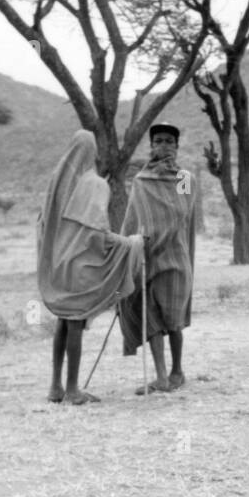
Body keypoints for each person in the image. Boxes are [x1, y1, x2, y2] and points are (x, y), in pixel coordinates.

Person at [37, 131, 145, 405]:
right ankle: (73, 389)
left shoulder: (59, 186)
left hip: (59, 264)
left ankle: (55, 387)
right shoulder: (96, 185)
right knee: (75, 323)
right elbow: (97, 236)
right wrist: (131, 243)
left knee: (64, 321)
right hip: (81, 264)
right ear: (92, 152)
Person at [118, 123, 198, 393]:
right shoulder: (141, 181)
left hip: (175, 257)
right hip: (147, 257)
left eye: (169, 142)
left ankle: (177, 371)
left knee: (173, 319)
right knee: (149, 315)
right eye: (159, 141)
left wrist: (157, 230)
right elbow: (132, 217)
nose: (163, 146)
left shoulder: (185, 178)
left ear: (177, 147)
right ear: (151, 146)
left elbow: (182, 213)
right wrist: (126, 247)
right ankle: (161, 375)